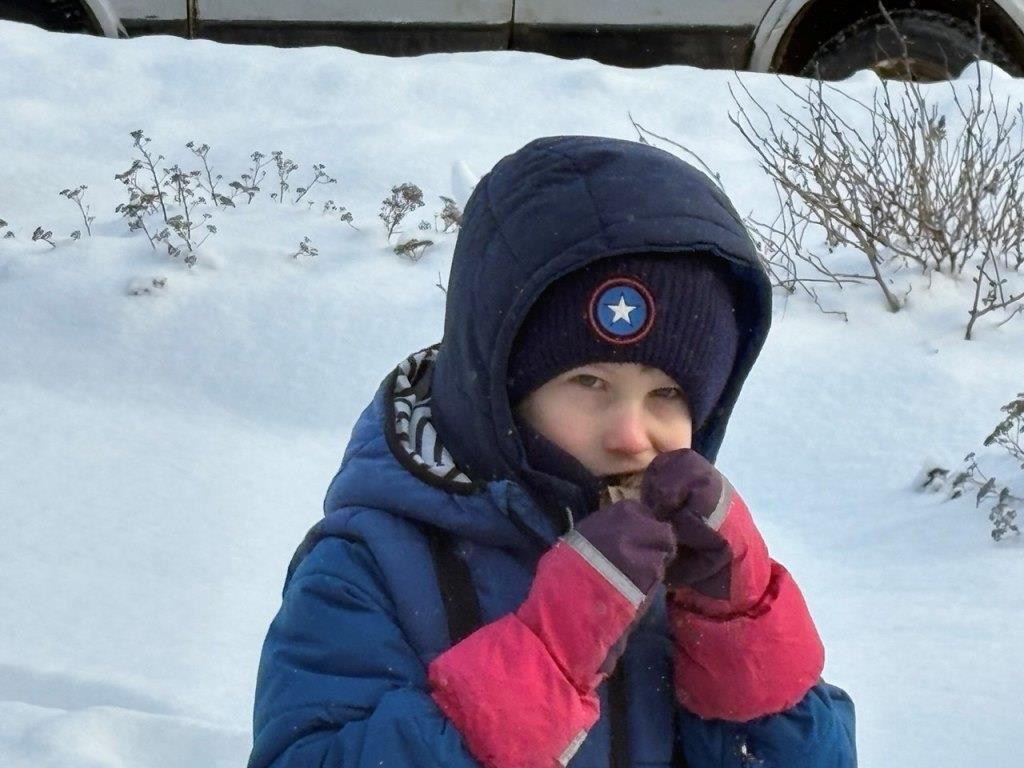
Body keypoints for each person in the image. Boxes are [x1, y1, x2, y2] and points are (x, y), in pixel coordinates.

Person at [247, 135, 857, 768]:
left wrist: (742, 632)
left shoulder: (689, 571)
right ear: (503, 391)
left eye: (667, 394)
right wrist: (543, 658)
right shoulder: (372, 565)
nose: (631, 435)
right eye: (590, 382)